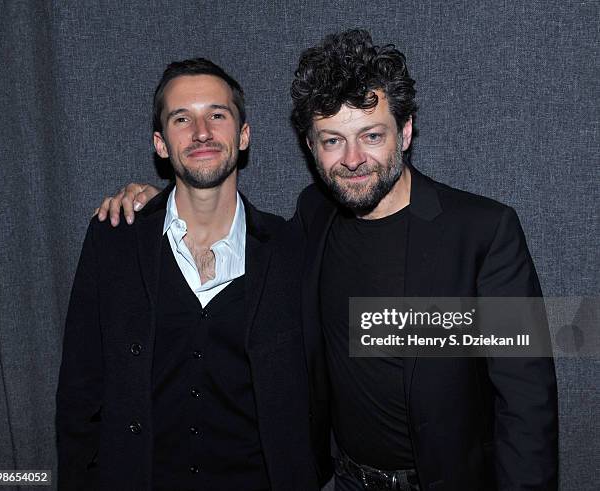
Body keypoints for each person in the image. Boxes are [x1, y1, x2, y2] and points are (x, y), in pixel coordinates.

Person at [98, 30, 558, 491]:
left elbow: (527, 404)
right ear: (310, 147)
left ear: (406, 131)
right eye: (332, 140)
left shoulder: (483, 231)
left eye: (371, 135)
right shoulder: (312, 218)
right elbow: (219, 220)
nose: (353, 159)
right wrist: (154, 202)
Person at [57, 58, 331, 491]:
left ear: (243, 136)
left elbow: (323, 390)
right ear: (161, 144)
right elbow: (80, 390)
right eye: (182, 118)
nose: (201, 132)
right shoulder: (114, 241)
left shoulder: (292, 249)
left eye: (216, 115)